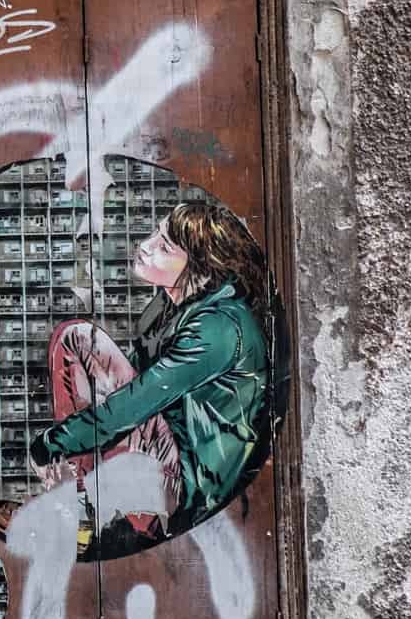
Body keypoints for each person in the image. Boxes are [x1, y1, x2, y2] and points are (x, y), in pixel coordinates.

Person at [28, 199, 273, 546]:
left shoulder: (218, 328)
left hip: (187, 492)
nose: (145, 246)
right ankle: (80, 504)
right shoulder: (171, 309)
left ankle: (80, 507)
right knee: (78, 340)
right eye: (155, 234)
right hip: (168, 460)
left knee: (80, 340)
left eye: (164, 246)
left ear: (200, 269)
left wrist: (52, 444)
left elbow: (132, 405)